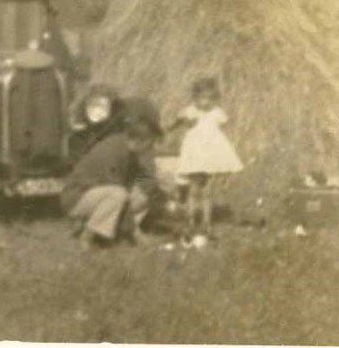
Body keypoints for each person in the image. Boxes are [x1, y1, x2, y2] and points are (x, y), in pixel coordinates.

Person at [61, 98, 162, 250]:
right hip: (76, 197)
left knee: (140, 191)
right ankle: (87, 236)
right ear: (139, 141)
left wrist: (151, 186)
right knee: (118, 194)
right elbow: (118, 192)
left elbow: (143, 180)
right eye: (150, 144)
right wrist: (136, 234)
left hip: (97, 195)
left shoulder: (129, 152)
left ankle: (106, 233)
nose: (150, 149)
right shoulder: (112, 151)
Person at [171, 77, 243, 234]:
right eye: (201, 98)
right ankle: (190, 220)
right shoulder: (191, 111)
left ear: (214, 99)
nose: (205, 102)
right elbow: (179, 119)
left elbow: (226, 121)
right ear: (195, 98)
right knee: (193, 189)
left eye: (209, 98)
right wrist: (185, 120)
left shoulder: (216, 113)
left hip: (210, 157)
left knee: (208, 190)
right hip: (195, 156)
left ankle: (206, 222)